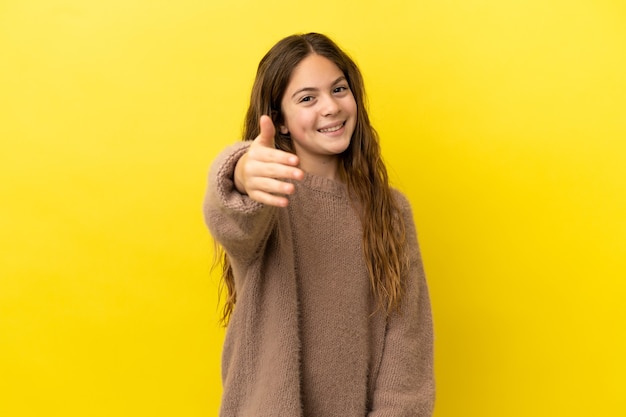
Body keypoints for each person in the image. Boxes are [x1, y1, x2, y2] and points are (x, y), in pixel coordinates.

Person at [203, 32, 434, 417]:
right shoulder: (266, 202)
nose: (330, 107)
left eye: (339, 89)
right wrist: (242, 170)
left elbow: (407, 355)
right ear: (280, 121)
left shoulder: (391, 213)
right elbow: (229, 216)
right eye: (307, 98)